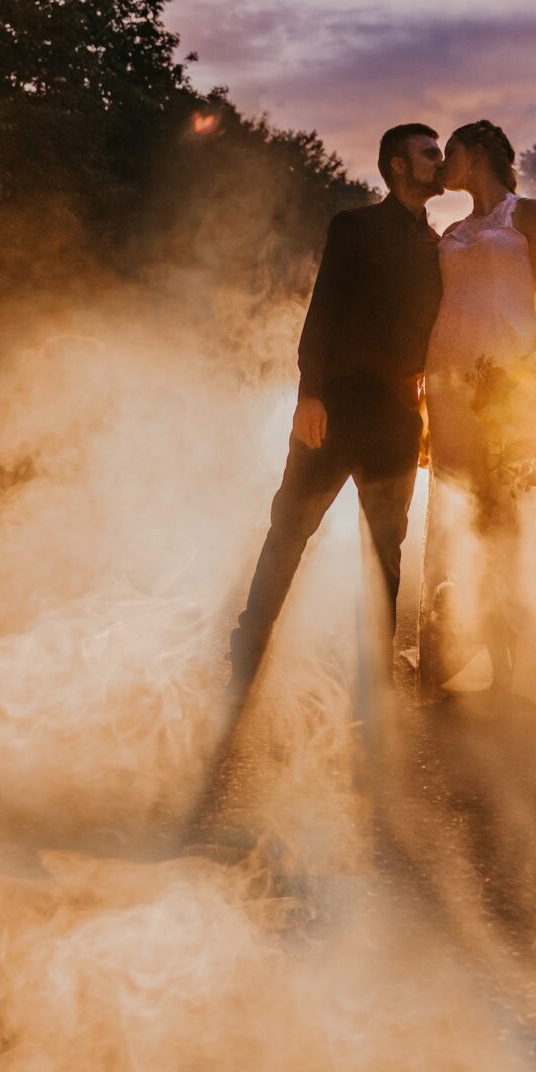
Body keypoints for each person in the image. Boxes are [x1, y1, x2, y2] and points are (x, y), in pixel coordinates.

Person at [228, 123, 445, 696]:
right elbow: (321, 313)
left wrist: (428, 412)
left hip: (398, 416)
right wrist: (309, 396)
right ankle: (248, 644)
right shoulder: (355, 226)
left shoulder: (436, 244)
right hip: (337, 407)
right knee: (290, 528)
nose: (439, 161)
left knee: (386, 547)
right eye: (429, 153)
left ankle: (375, 665)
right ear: (398, 166)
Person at [418, 119, 536, 711]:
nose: (441, 167)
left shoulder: (529, 215)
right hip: (446, 384)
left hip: (502, 387)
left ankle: (518, 663)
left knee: (505, 511)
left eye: (448, 154)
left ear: (477, 153)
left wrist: (521, 381)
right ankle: (461, 654)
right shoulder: (452, 229)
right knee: (462, 511)